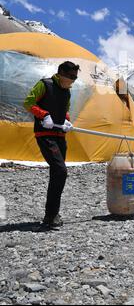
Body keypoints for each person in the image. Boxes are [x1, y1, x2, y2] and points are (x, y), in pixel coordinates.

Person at [24, 61, 80, 229]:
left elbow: (65, 110)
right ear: (61, 73)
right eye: (70, 76)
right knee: (61, 170)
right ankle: (51, 214)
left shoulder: (67, 92)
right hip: (45, 135)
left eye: (75, 78)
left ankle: (52, 214)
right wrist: (43, 115)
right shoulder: (44, 84)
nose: (72, 81)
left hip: (60, 136)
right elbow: (28, 103)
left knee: (58, 174)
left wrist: (67, 121)